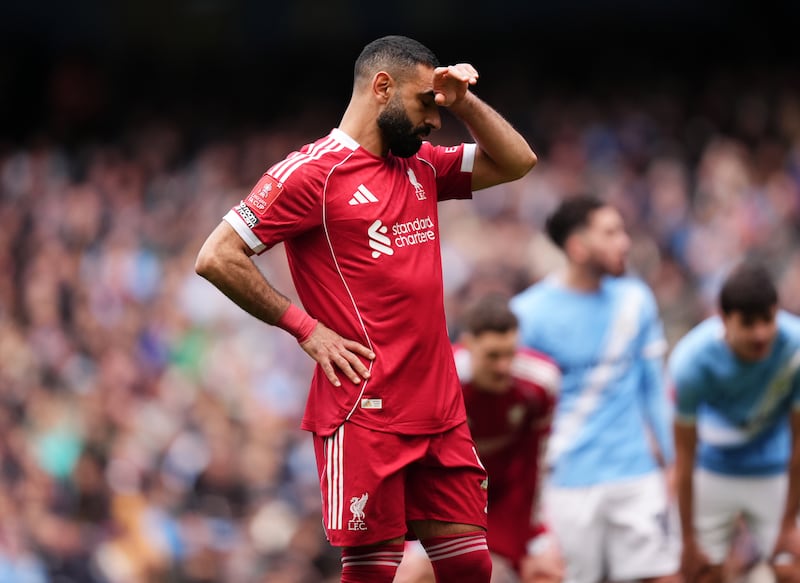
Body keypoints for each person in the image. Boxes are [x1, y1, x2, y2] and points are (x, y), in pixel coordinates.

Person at [194, 35, 537, 583]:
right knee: (374, 572)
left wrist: (463, 100)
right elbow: (216, 256)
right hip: (365, 410)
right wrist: (305, 329)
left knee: (472, 566)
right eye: (427, 102)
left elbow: (518, 161)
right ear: (383, 87)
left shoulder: (422, 165)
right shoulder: (311, 174)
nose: (434, 119)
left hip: (440, 407)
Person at [509, 195, 679, 583]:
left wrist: (672, 462)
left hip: (635, 475)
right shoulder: (528, 315)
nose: (625, 242)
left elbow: (654, 388)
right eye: (611, 233)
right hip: (564, 482)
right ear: (577, 247)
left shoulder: (636, 300)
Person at [395, 294, 565, 583]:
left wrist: (533, 530)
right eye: (493, 356)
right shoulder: (438, 382)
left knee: (546, 572)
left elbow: (537, 458)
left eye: (510, 354)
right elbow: (414, 463)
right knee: (413, 574)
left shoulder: (540, 381)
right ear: (468, 344)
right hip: (449, 497)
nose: (503, 366)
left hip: (508, 497)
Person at [668, 261, 800, 583]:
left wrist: (788, 525)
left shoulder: (795, 349)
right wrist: (687, 540)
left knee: (791, 568)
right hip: (711, 470)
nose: (760, 334)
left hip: (774, 472)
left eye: (768, 320)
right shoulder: (690, 362)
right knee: (702, 573)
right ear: (724, 320)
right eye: (749, 323)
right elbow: (684, 459)